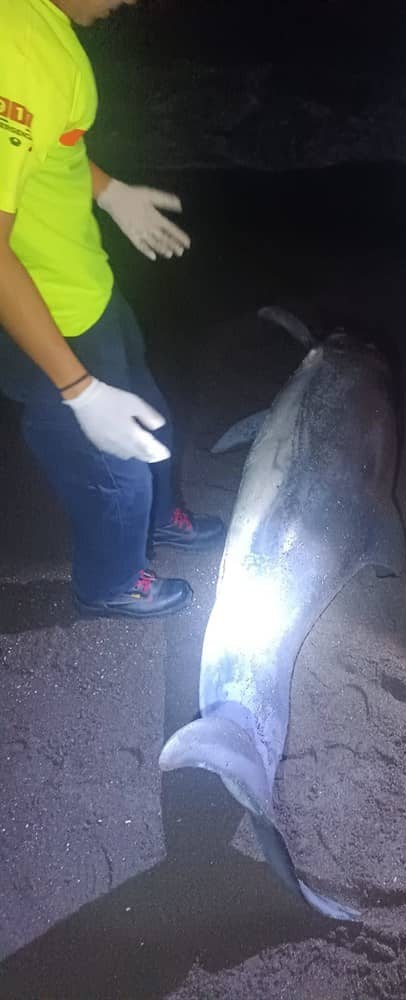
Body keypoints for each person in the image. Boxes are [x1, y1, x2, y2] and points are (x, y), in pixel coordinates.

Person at [0, 0, 225, 619]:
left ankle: (160, 519)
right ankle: (109, 583)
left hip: (89, 289)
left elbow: (54, 148)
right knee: (113, 473)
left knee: (154, 422)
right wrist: (76, 390)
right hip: (45, 318)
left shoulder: (49, 26)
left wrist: (109, 191)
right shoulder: (13, 44)